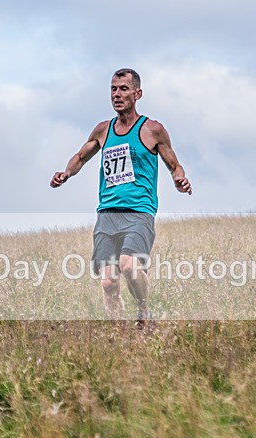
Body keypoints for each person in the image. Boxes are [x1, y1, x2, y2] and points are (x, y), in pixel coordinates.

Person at [51, 68, 192, 325]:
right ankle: (121, 335)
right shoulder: (103, 130)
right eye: (113, 89)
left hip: (139, 211)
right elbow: (81, 156)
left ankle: (144, 311)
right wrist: (66, 173)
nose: (117, 94)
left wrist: (179, 179)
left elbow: (174, 164)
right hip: (107, 214)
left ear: (137, 94)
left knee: (129, 265)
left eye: (124, 89)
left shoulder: (152, 130)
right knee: (108, 282)